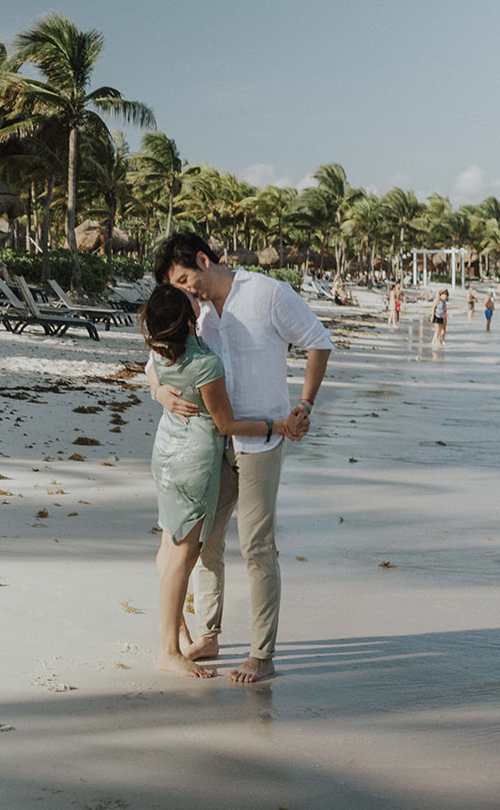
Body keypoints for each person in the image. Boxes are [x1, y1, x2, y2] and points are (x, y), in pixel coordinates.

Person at [150, 231, 333, 684]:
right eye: (177, 286)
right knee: (207, 543)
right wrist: (158, 393)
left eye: (186, 279)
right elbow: (154, 359)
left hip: (263, 442)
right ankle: (208, 634)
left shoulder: (268, 294)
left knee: (256, 546)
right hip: (212, 444)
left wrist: (304, 405)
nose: (185, 290)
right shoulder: (194, 314)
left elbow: (318, 340)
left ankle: (261, 654)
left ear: (203, 259)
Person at [139, 285, 294, 679]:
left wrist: (158, 392)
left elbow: (153, 375)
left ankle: (176, 630)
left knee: (168, 542)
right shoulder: (205, 364)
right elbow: (225, 424)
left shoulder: (160, 353)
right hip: (193, 461)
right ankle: (168, 649)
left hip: (165, 454)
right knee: (184, 555)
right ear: (189, 321)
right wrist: (276, 425)